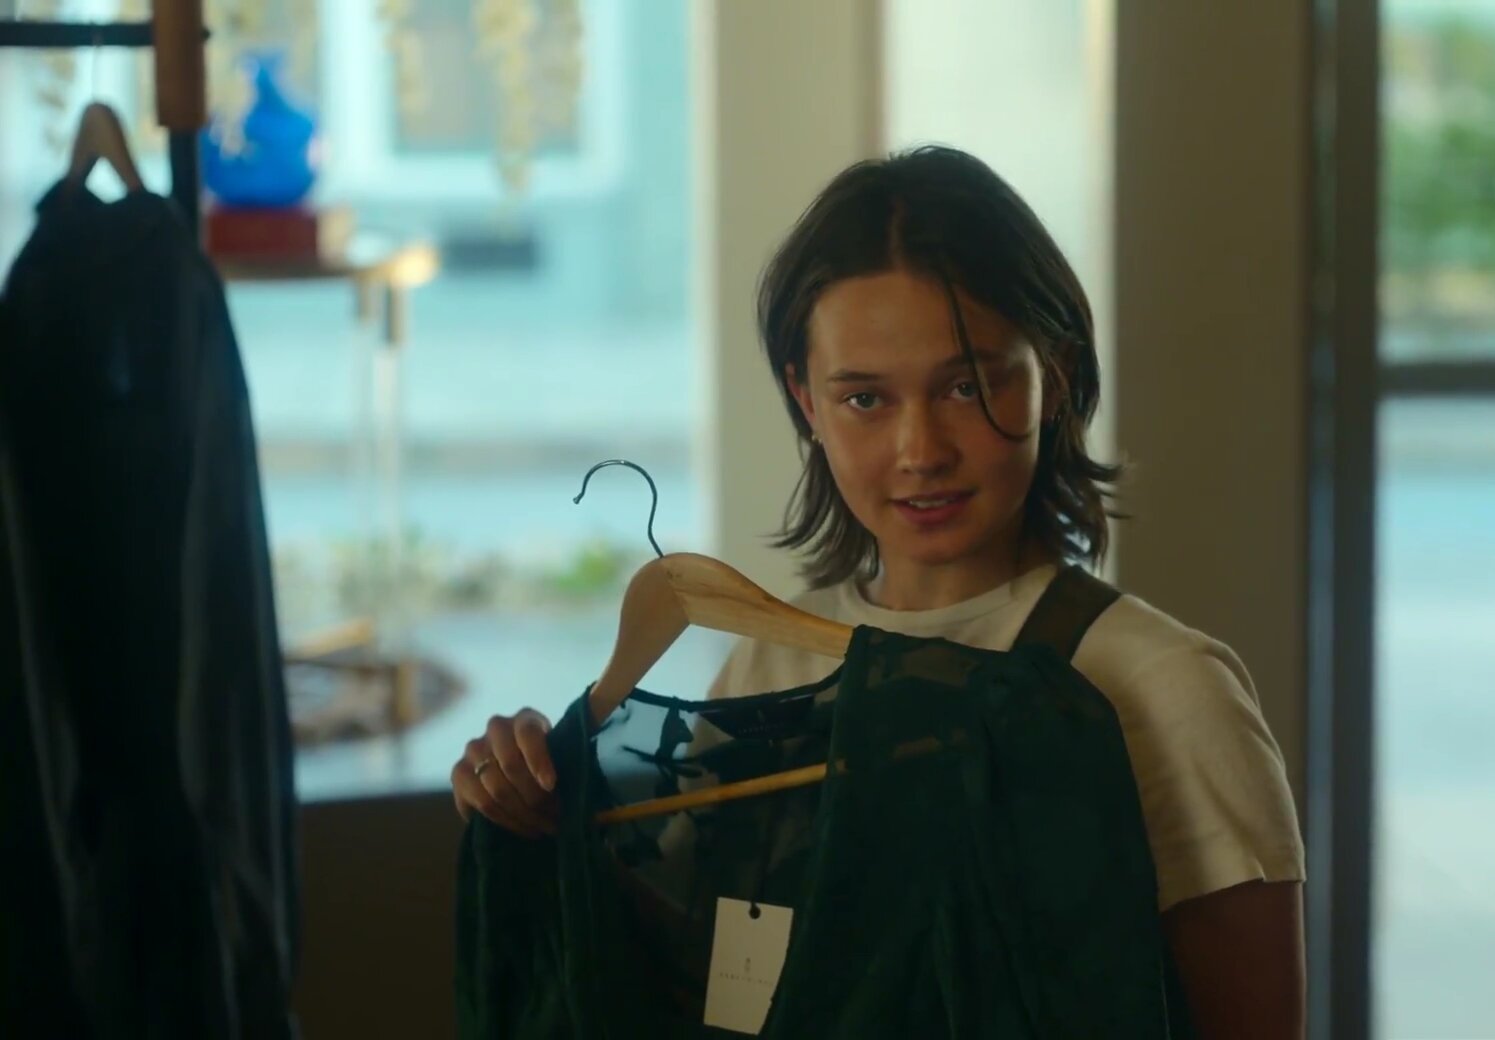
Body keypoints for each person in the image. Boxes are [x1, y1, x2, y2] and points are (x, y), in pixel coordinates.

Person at [450, 145, 1307, 1038]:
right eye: (865, 399)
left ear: (1051, 376)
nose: (921, 451)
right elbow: (692, 978)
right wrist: (538, 809)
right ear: (806, 402)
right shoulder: (768, 672)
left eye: (966, 386)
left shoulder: (1165, 691)